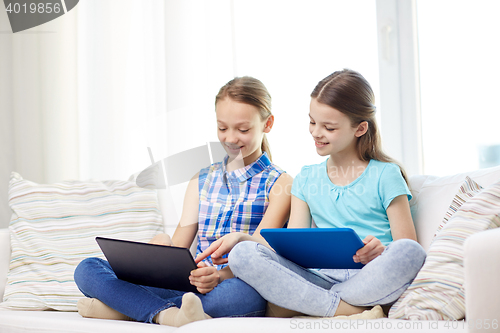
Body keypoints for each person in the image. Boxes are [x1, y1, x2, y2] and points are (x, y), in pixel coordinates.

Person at [197, 69, 426, 318]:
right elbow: (290, 247)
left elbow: (408, 243)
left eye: (328, 127)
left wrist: (380, 250)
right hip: (318, 278)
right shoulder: (306, 178)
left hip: (370, 275)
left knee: (411, 253)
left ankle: (324, 305)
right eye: (312, 122)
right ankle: (347, 309)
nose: (316, 133)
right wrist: (241, 238)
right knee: (242, 254)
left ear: (360, 129)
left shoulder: (386, 175)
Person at [74, 76, 293, 327]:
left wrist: (220, 277)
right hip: (188, 284)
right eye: (222, 128)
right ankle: (168, 315)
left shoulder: (281, 183)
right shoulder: (201, 179)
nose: (230, 138)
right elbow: (179, 247)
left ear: (268, 123)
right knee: (87, 268)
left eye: (243, 130)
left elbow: (262, 252)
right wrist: (160, 251)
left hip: (234, 283)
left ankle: (123, 307)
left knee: (239, 297)